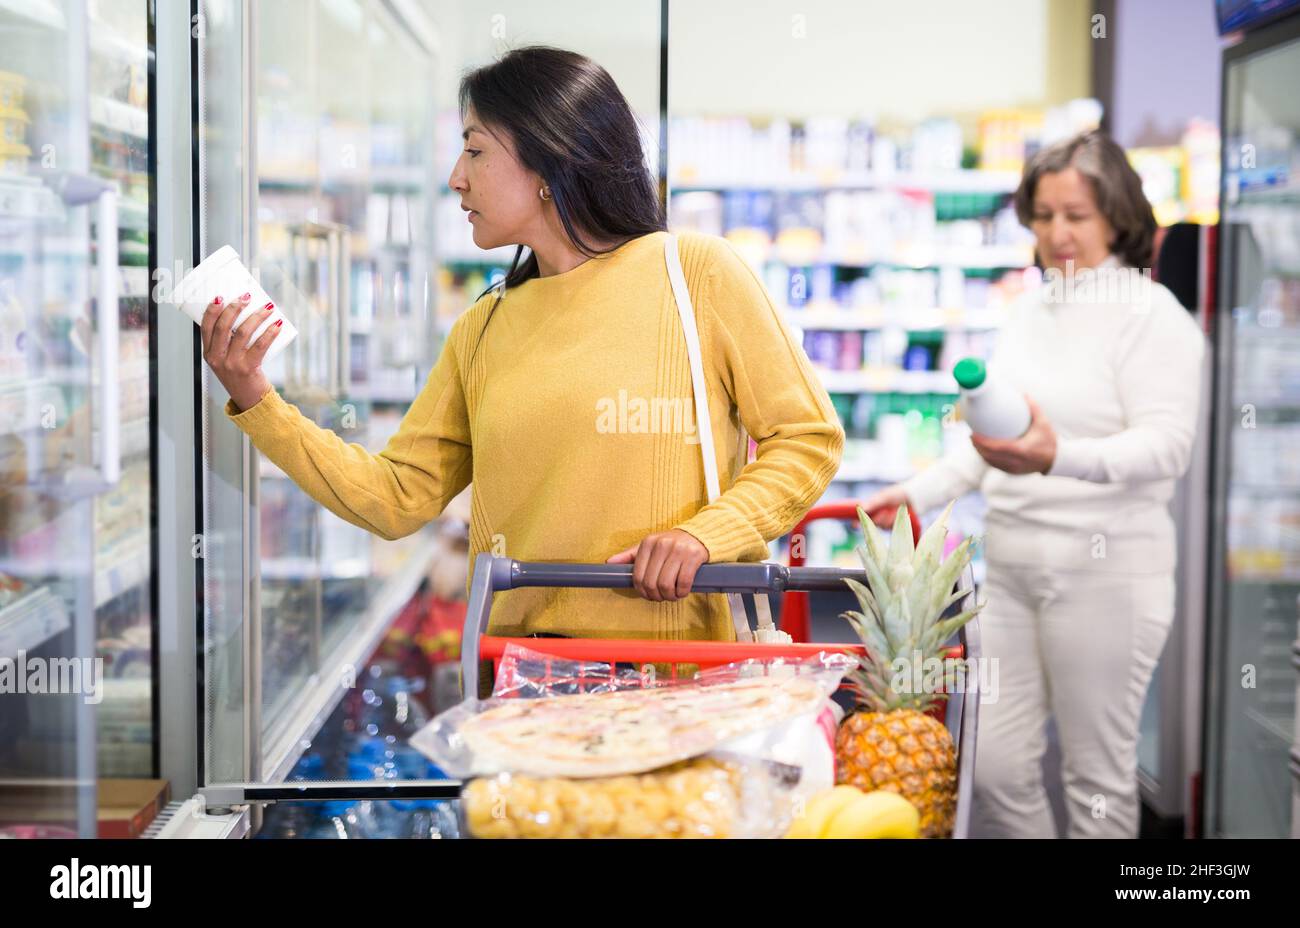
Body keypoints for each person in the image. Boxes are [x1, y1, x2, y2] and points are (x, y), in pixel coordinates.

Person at [200, 47, 843, 678]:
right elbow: (396, 499)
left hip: (681, 677)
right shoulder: (484, 327)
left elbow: (807, 439)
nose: (456, 175)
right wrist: (257, 399)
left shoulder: (697, 275)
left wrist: (709, 534)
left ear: (550, 157)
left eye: (475, 149)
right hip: (524, 682)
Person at [862, 130, 1205, 838]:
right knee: (993, 766)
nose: (1057, 232)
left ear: (1119, 216)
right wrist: (918, 494)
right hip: (1011, 571)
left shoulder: (1153, 319)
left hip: (1109, 574)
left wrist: (1057, 457)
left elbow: (1166, 448)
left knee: (1096, 780)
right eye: (1043, 215)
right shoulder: (1028, 312)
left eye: (1076, 214)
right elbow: (994, 439)